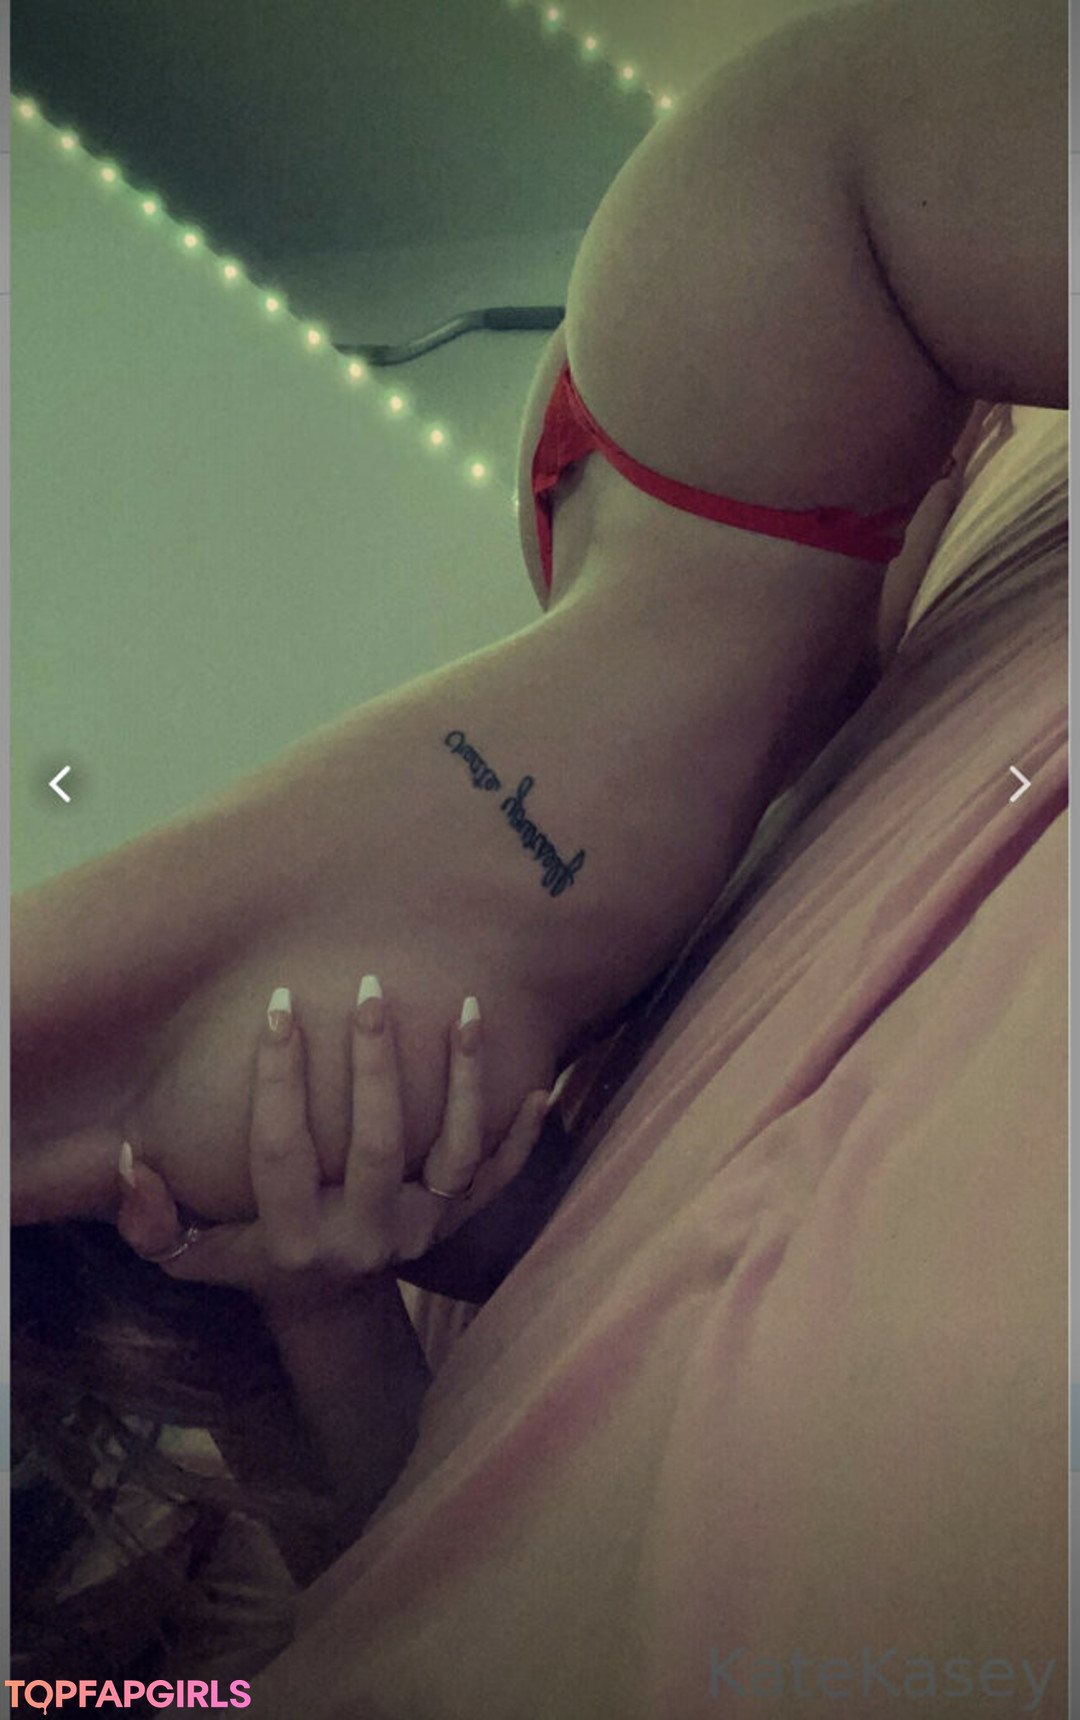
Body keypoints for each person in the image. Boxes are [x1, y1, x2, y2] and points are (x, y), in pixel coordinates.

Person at [11, 0, 1065, 1702]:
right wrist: (337, 1297)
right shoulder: (190, 1278)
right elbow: (377, 1569)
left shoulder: (78, 1062)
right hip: (729, 462)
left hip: (763, 331)